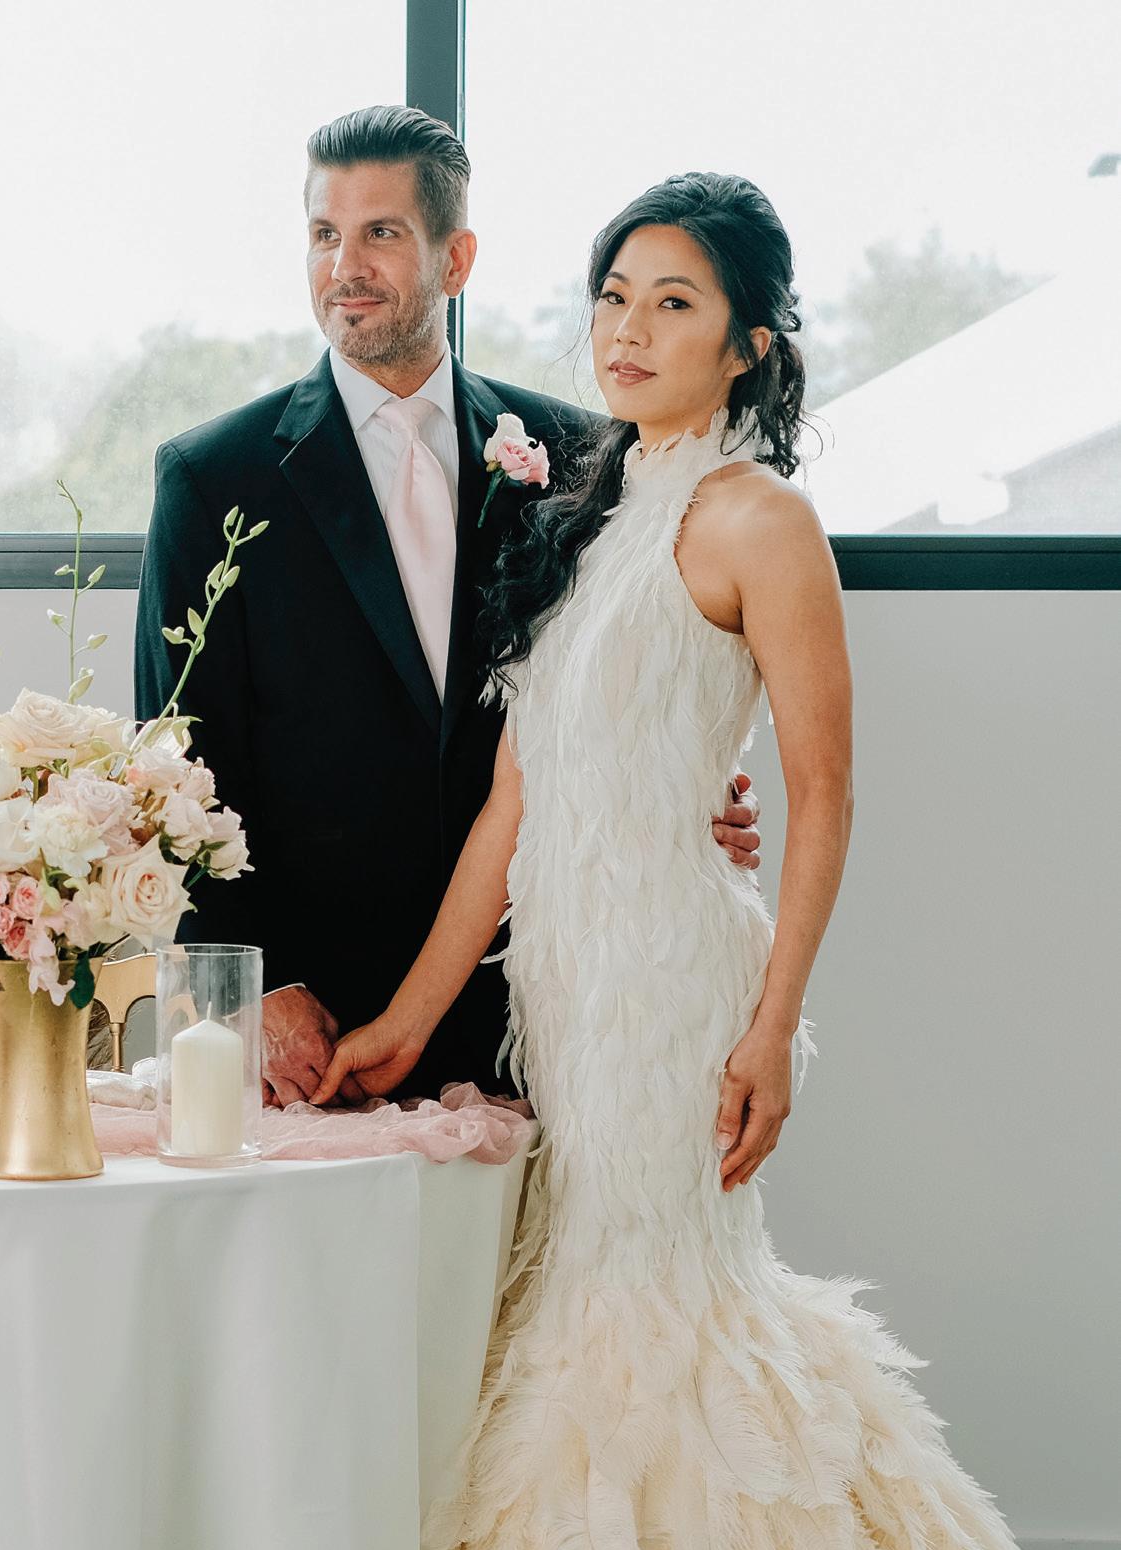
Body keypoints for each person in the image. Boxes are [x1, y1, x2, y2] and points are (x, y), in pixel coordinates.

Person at [312, 172, 1121, 1550]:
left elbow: (821, 792)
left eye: (671, 301)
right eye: (612, 294)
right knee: (596, 1314)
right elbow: (515, 803)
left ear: (748, 341)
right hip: (566, 988)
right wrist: (402, 1017)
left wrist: (770, 1026)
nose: (625, 327)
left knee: (657, 1317)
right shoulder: (600, 508)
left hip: (675, 989)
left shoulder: (761, 520)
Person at [132, 106, 762, 1108]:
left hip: (552, 990)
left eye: (380, 233)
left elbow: (618, 673)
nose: (345, 267)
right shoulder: (212, 477)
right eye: (324, 234)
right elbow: (179, 767)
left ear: (454, 259)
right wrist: (261, 985)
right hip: (317, 1023)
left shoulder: (581, 454)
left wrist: (687, 783)